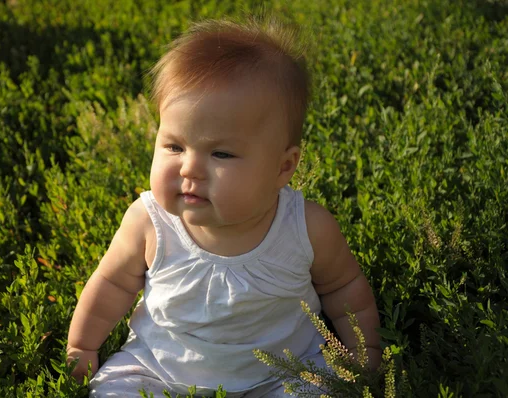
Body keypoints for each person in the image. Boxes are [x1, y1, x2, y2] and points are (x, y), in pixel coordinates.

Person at [67, 16, 381, 398]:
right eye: (174, 146)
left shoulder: (306, 227)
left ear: (283, 167)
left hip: (285, 373)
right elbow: (112, 284)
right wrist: (82, 346)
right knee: (119, 390)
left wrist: (365, 354)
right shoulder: (149, 223)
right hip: (159, 368)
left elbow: (344, 289)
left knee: (321, 389)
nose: (190, 168)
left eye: (221, 153)